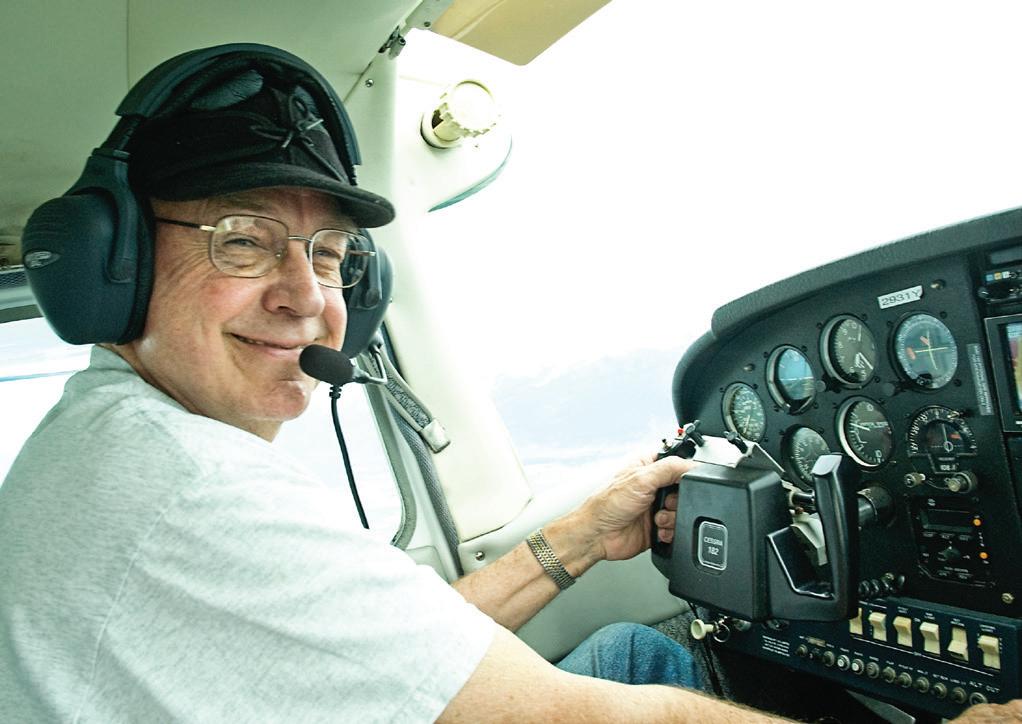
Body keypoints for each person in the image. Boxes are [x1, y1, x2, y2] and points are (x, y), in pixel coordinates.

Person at [0, 45, 1017, 724]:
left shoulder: (113, 440)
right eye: (243, 240)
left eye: (331, 254)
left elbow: (405, 653)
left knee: (630, 650)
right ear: (111, 262)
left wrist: (585, 534)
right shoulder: (187, 486)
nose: (306, 297)